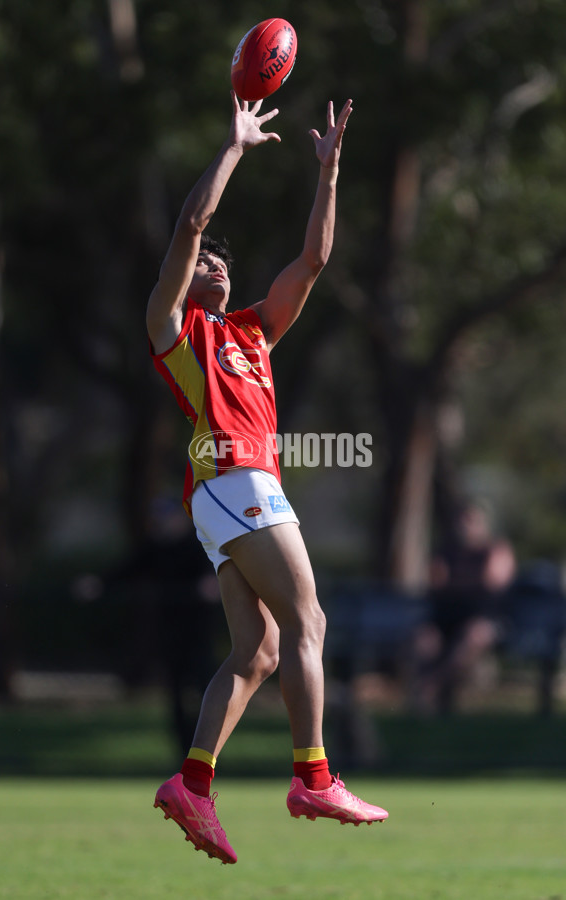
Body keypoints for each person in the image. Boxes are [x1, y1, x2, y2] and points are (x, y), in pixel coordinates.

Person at [146, 91, 388, 865]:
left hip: (225, 500)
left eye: (222, 260)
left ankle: (193, 782)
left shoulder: (254, 332)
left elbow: (314, 261)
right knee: (310, 622)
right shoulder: (176, 329)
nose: (213, 261)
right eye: (204, 262)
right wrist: (234, 148)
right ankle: (314, 776)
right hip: (236, 480)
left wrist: (330, 170)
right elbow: (187, 227)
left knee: (259, 650)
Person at [412, 502, 516, 714]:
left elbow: (493, 580)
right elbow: (435, 581)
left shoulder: (495, 549)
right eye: (462, 521)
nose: (465, 526)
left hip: (485, 618)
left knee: (472, 639)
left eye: (471, 521)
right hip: (446, 616)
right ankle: (428, 697)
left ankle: (430, 687)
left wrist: (457, 580)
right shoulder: (447, 549)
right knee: (423, 640)